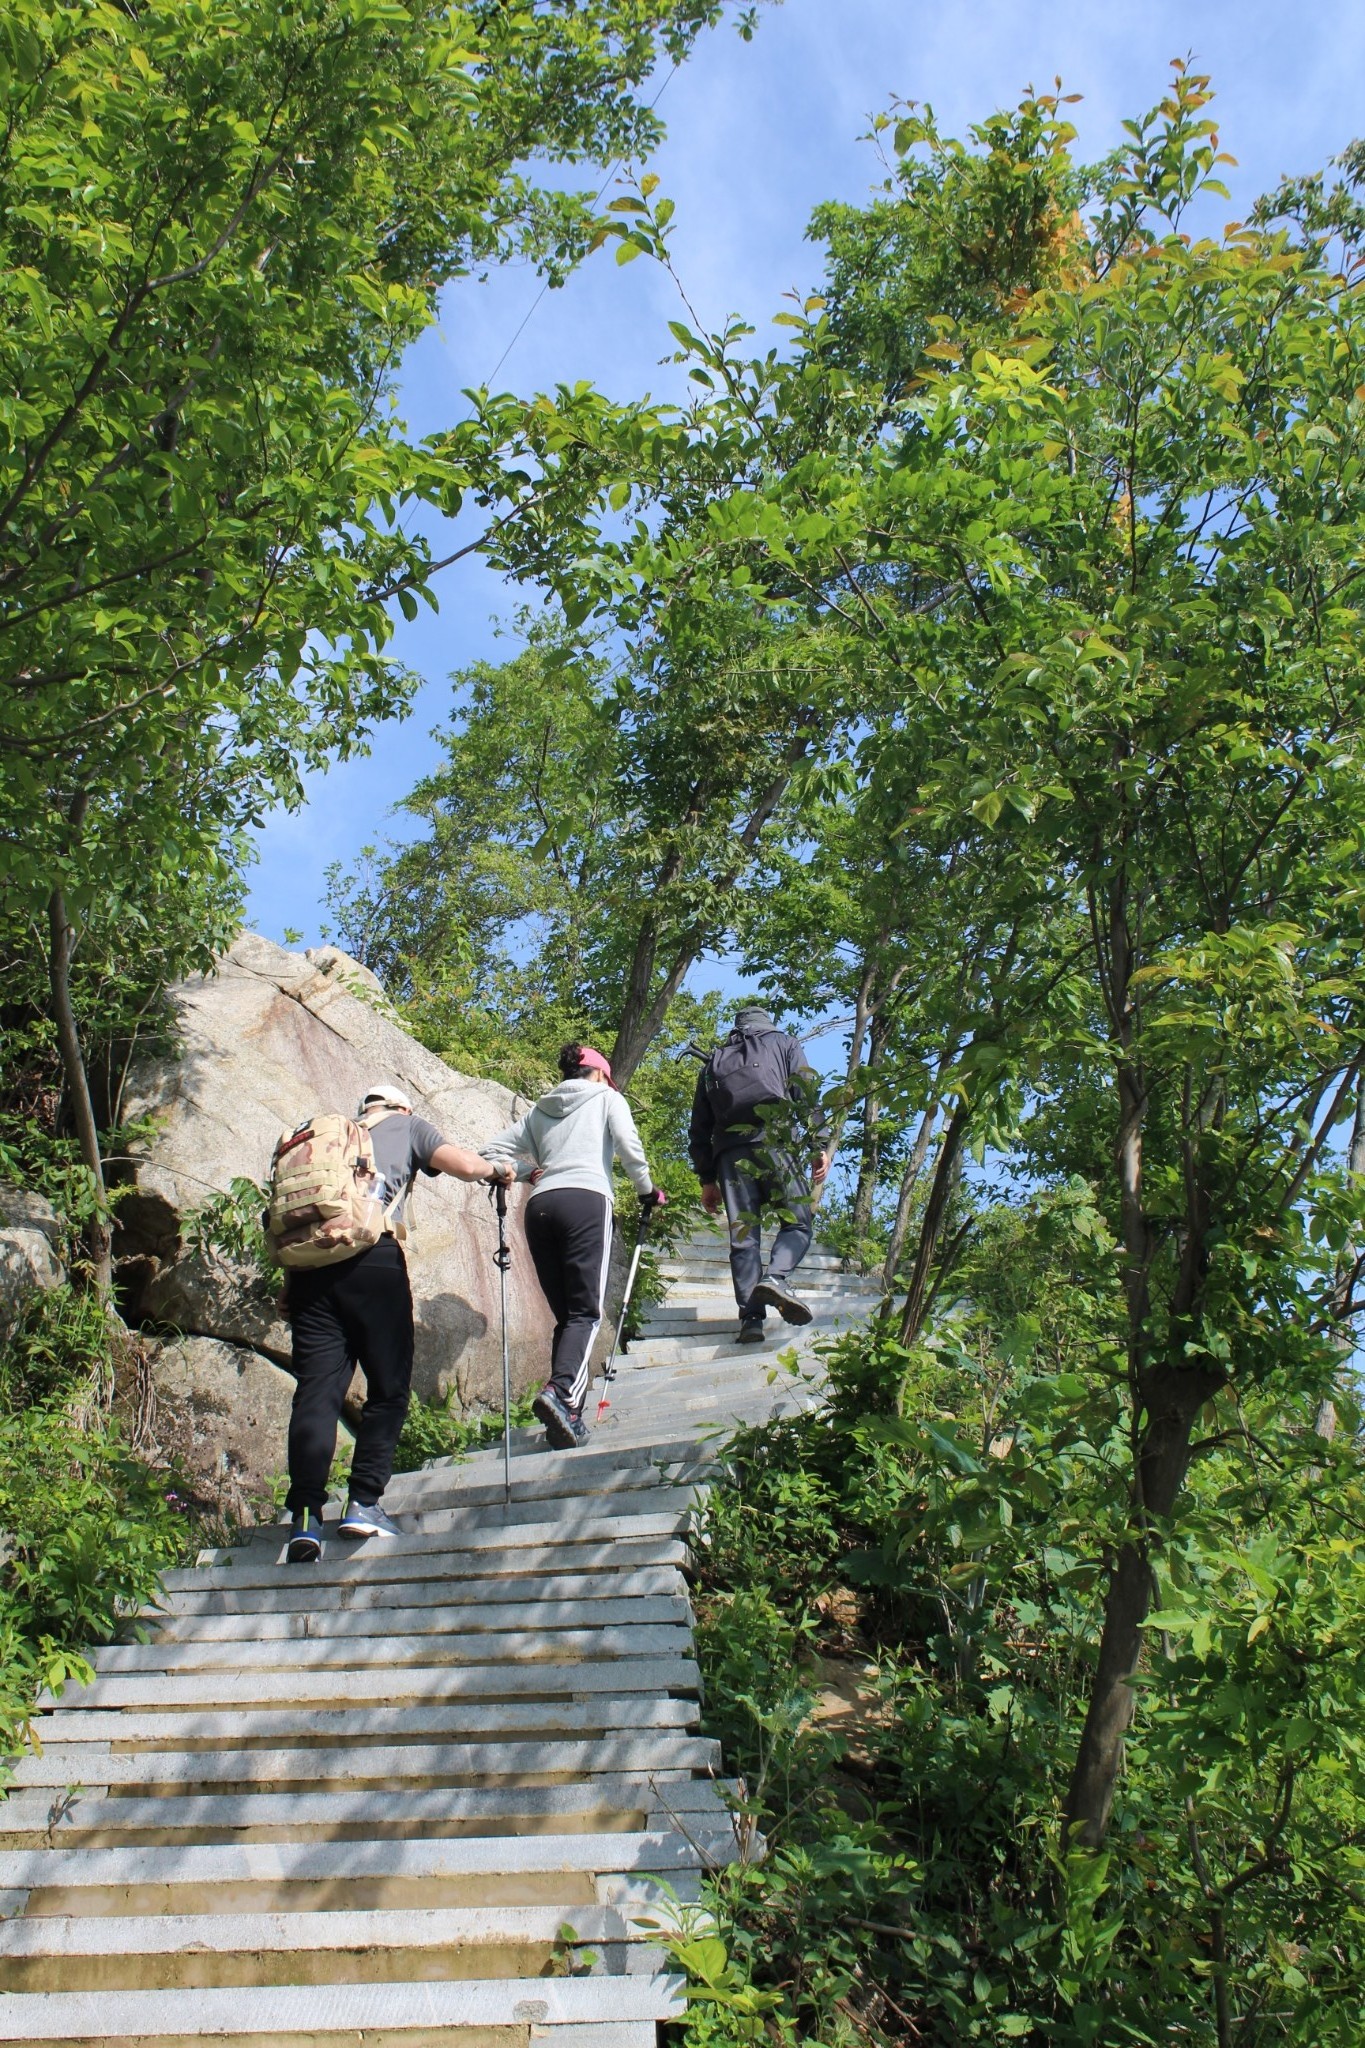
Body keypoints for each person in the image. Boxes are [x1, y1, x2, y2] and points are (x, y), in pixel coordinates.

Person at [283, 1084, 512, 1564]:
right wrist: (500, 1170)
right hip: (372, 1261)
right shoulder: (407, 1124)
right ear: (402, 1106)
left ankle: (304, 1517)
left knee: (316, 1394)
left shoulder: (330, 1137)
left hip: (307, 1273)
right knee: (388, 1387)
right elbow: (466, 1166)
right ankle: (364, 1502)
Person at [483, 1043, 664, 1449]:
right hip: (586, 1201)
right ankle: (561, 1394)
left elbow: (490, 1151)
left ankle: (567, 1414)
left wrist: (529, 1172)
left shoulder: (538, 1111)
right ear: (599, 1073)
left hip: (540, 1205)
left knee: (567, 1316)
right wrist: (647, 1191)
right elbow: (629, 1146)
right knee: (586, 1312)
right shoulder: (607, 1098)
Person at [688, 1003, 830, 1343]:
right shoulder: (784, 1044)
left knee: (743, 1236)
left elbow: (699, 1128)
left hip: (730, 1155)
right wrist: (818, 1142)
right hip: (776, 1143)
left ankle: (750, 1318)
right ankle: (777, 1278)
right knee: (797, 1222)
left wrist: (707, 1179)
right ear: (767, 1023)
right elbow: (805, 1092)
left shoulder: (714, 1062)